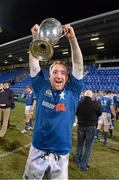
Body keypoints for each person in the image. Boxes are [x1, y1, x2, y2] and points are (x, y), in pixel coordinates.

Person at [23, 22, 84, 180]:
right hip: (38, 150)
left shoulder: (73, 91)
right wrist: (35, 38)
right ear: (49, 76)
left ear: (67, 77)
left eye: (63, 73)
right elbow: (34, 64)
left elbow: (78, 64)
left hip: (61, 154)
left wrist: (72, 39)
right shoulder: (41, 87)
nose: (59, 75)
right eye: (55, 72)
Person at [74, 90, 102, 171]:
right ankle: (83, 165)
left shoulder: (80, 103)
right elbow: (100, 113)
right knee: (88, 146)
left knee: (80, 144)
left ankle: (77, 159)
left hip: (81, 126)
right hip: (90, 127)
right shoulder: (94, 103)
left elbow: (76, 112)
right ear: (91, 96)